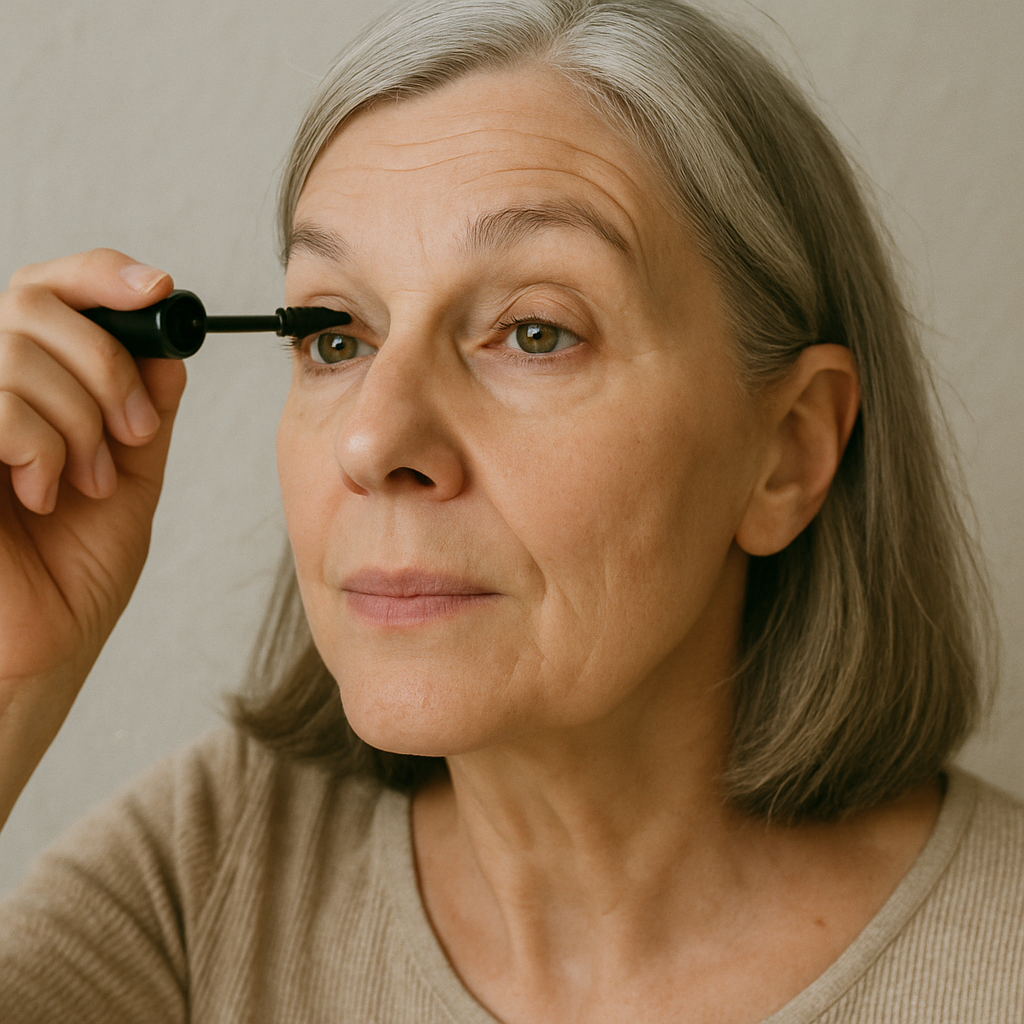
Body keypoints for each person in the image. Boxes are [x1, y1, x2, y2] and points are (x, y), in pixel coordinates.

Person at [0, 0, 1019, 1020]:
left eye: (535, 331)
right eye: (336, 336)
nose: (374, 441)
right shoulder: (204, 881)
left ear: (788, 454)